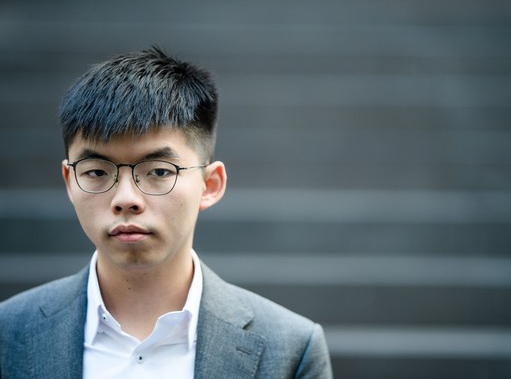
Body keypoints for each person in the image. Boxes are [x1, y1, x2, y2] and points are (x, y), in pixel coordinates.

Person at [0, 47, 333, 378]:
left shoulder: (290, 349)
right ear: (70, 181)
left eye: (159, 171)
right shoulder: (8, 333)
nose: (126, 199)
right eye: (97, 172)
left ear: (210, 184)